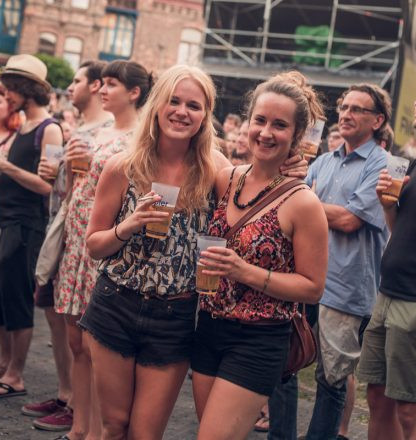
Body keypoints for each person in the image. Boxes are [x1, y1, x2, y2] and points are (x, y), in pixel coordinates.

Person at [80, 64, 306, 440]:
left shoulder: (214, 170)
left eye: (194, 105)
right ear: (156, 105)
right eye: (174, 101)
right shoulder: (123, 167)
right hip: (114, 305)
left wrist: (289, 164)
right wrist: (128, 225)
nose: (182, 111)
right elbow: (93, 246)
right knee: (113, 427)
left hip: (175, 315)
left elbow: (255, 186)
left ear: (205, 116)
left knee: (145, 433)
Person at [191, 70, 328, 440]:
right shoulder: (226, 179)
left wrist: (244, 271)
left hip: (258, 339)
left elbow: (313, 288)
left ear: (296, 136)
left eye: (280, 125)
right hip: (208, 328)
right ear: (248, 122)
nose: (266, 132)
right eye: (260, 120)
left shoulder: (303, 203)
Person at [53, 60, 152, 440]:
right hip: (80, 241)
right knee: (75, 339)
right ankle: (78, 427)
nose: (102, 89)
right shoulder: (102, 130)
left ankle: (94, 432)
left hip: (107, 248)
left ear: (135, 93)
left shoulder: (139, 138)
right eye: (102, 83)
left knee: (97, 347)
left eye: (111, 84)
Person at [21, 60, 112, 433]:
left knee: (79, 333)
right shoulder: (80, 128)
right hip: (64, 229)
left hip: (86, 239)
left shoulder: (108, 132)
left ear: (96, 86)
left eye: (77, 80)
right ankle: (67, 396)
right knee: (59, 320)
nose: (70, 87)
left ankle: (78, 407)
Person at [303, 83, 391, 440]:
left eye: (357, 109)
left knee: (332, 378)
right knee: (284, 364)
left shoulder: (383, 164)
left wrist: (306, 207)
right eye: (344, 107)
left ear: (378, 120)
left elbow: (350, 220)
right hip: (304, 278)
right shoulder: (323, 161)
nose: (346, 114)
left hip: (345, 286)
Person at [357, 78, 416, 440]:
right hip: (386, 297)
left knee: (411, 410)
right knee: (377, 399)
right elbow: (401, 231)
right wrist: (389, 207)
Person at [0, 54, 63, 397]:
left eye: (11, 89)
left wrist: (4, 168)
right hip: (6, 221)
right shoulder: (24, 126)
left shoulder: (49, 129)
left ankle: (16, 375)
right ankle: (5, 363)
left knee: (17, 296)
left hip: (26, 224)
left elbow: (47, 186)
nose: (6, 95)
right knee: (1, 295)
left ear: (25, 89)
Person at [0, 80, 20, 381]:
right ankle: (0, 360)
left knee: (2, 292)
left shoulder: (15, 139)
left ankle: (9, 362)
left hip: (1, 217)